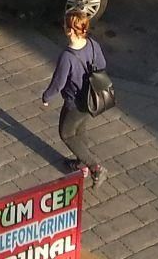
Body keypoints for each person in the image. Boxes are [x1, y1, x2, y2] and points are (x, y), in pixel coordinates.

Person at [40, 11, 108, 192]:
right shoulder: (93, 45)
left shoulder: (68, 56)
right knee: (80, 130)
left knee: (67, 134)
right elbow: (102, 65)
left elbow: (59, 82)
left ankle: (96, 168)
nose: (63, 28)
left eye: (65, 26)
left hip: (74, 102)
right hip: (92, 99)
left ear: (71, 30)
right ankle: (81, 164)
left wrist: (47, 97)